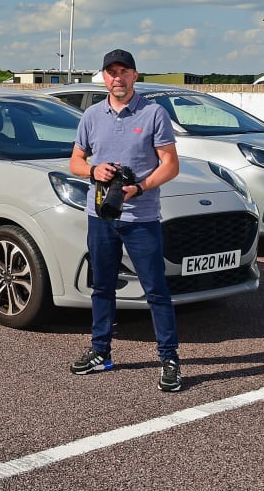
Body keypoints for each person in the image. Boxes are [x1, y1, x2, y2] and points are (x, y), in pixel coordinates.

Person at [67, 48, 184, 392]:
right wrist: (92, 169)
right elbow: (74, 160)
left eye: (124, 71)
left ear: (134, 75)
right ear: (103, 77)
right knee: (102, 287)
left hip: (142, 217)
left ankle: (170, 358)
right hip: (100, 216)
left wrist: (140, 187)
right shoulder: (91, 115)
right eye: (111, 72)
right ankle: (101, 351)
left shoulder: (153, 114)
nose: (117, 78)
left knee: (156, 290)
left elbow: (170, 165)